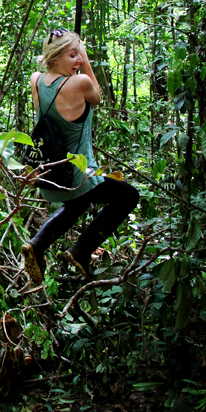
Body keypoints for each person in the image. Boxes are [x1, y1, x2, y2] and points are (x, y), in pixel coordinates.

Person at [21, 28, 139, 282]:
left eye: (78, 55)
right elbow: (96, 97)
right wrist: (85, 60)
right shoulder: (79, 83)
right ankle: (82, 251)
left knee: (77, 204)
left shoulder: (36, 80)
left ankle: (36, 245)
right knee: (129, 196)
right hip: (76, 175)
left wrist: (74, 52)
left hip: (50, 174)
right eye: (72, 55)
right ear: (54, 58)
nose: (78, 61)